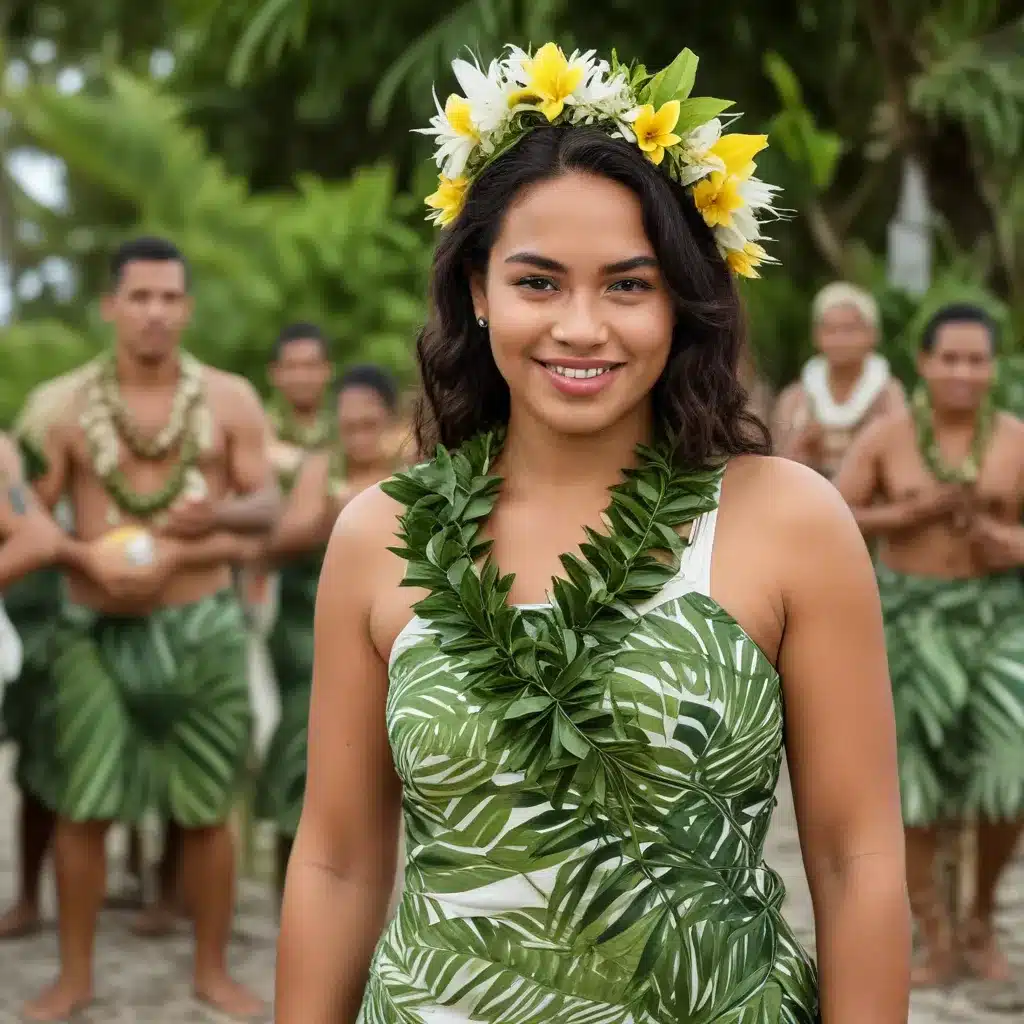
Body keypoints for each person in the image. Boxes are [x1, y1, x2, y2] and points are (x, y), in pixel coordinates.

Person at [275, 41, 911, 1023]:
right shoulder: (380, 533)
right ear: (477, 292)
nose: (582, 326)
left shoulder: (787, 521)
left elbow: (853, 855)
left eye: (627, 284)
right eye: (538, 283)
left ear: (681, 302)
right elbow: (337, 859)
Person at [22, 235, 279, 1021]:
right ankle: (73, 976)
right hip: (94, 631)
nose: (156, 313)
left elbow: (265, 506)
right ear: (110, 306)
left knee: (207, 806)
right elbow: (22, 511)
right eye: (139, 297)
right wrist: (79, 556)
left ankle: (210, 968)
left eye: (170, 298)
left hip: (201, 626)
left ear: (187, 308)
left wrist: (211, 518)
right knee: (83, 805)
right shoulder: (60, 406)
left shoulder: (230, 399)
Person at [835, 303, 1024, 987]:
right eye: (951, 358)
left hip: (997, 622)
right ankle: (934, 934)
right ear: (925, 362)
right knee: (913, 788)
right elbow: (835, 511)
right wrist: (907, 513)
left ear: (993, 366)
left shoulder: (1015, 440)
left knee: (1010, 774)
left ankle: (978, 917)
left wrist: (1010, 544)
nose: (964, 372)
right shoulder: (887, 439)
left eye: (977, 360)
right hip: (908, 623)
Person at [255, 363, 402, 898]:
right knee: (303, 749)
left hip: (391, 633)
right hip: (305, 638)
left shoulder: (416, 467)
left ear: (391, 421)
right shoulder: (323, 467)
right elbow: (278, 541)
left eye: (369, 424)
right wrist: (335, 519)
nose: (358, 436)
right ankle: (290, 890)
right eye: (348, 425)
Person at [773, 282, 906, 478]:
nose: (840, 339)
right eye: (831, 330)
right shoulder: (795, 399)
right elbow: (778, 465)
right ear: (816, 336)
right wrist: (803, 447)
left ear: (872, 334)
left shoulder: (890, 397)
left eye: (850, 329)